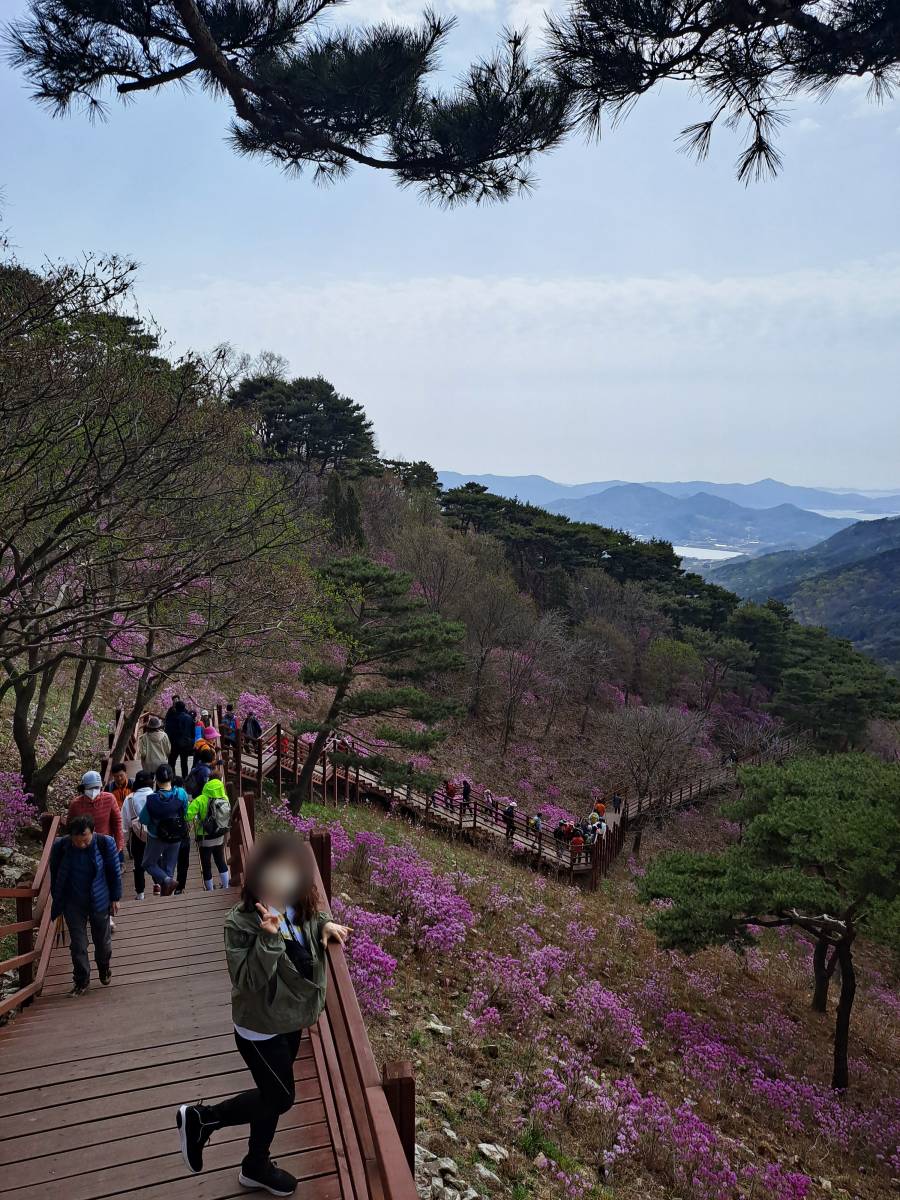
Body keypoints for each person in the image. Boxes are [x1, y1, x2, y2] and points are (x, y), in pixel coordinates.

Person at [175, 833, 349, 1196]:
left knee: (270, 1094)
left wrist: (324, 926)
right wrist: (269, 937)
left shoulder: (299, 904)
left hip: (290, 1019)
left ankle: (255, 1165)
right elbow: (248, 980)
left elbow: (311, 921)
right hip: (259, 1028)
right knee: (281, 1097)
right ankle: (203, 1119)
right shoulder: (240, 923)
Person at [50, 814, 121, 997]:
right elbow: (55, 876)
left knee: (103, 943)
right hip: (73, 903)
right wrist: (57, 904)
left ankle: (104, 968)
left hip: (99, 899)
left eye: (85, 840)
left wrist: (115, 897)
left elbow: (114, 872)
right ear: (71, 836)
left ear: (93, 832)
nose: (81, 844)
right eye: (77, 841)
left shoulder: (105, 843)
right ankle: (81, 980)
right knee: (78, 944)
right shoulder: (61, 846)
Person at [139, 765, 190, 896]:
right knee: (169, 868)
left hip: (157, 836)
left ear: (156, 780)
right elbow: (186, 813)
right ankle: (167, 896)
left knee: (148, 863)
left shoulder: (152, 799)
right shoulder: (181, 793)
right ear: (172, 778)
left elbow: (143, 819)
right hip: (177, 835)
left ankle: (166, 881)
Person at [187, 767, 232, 891]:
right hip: (220, 834)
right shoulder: (225, 797)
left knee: (206, 864)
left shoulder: (201, 799)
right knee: (220, 860)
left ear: (208, 781)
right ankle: (226, 886)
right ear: (220, 781)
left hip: (205, 836)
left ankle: (210, 890)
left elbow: (187, 815)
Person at [67, 771, 124, 856]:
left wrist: (119, 843)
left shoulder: (109, 798)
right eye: (90, 788)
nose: (93, 791)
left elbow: (117, 821)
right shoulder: (75, 804)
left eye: (96, 787)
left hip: (105, 844)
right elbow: (70, 826)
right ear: (83, 788)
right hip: (84, 846)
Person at [121, 770, 155, 900]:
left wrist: (124, 841)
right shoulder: (156, 795)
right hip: (155, 834)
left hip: (137, 835)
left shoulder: (129, 799)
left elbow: (124, 823)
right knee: (156, 861)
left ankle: (140, 893)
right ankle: (159, 884)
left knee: (138, 863)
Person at [167, 700, 197, 777]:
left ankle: (173, 778)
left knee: (171, 762)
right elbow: (193, 732)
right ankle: (185, 779)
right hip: (186, 744)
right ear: (184, 708)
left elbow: (168, 730)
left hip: (174, 743)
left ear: (176, 708)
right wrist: (191, 742)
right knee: (184, 763)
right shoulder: (189, 718)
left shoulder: (172, 718)